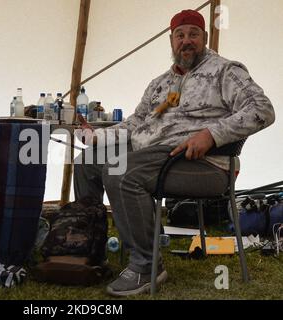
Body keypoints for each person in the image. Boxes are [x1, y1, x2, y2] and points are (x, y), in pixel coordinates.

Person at [74, 9, 275, 297]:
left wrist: (211, 135)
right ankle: (85, 248)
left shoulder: (226, 71)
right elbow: (135, 123)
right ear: (171, 41)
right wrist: (97, 138)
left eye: (193, 34)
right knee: (87, 163)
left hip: (203, 164)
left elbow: (262, 109)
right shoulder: (159, 83)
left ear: (204, 38)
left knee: (122, 172)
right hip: (151, 154)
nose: (186, 41)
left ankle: (146, 266)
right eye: (180, 35)